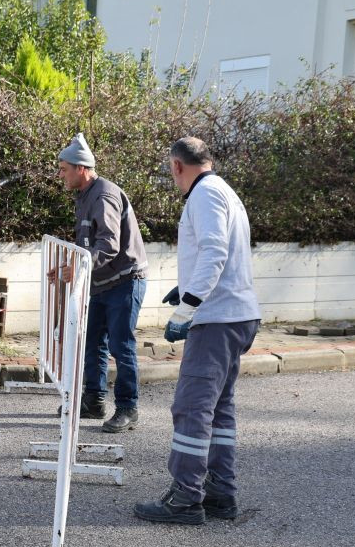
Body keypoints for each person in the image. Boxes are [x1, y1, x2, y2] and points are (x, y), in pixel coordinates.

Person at [135, 137, 261, 526]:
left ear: (177, 166)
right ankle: (220, 493)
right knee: (218, 409)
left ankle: (186, 497)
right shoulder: (224, 190)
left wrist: (187, 307)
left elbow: (213, 251)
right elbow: (223, 252)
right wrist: (187, 287)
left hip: (217, 319)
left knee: (191, 407)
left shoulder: (203, 195)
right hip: (237, 314)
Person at [56, 133, 148, 431]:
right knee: (93, 342)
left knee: (122, 345)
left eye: (64, 169)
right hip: (101, 282)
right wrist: (65, 268)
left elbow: (108, 245)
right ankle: (94, 402)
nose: (61, 174)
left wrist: (80, 269)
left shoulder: (104, 194)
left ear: (81, 168)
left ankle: (127, 408)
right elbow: (87, 243)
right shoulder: (84, 195)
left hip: (124, 280)